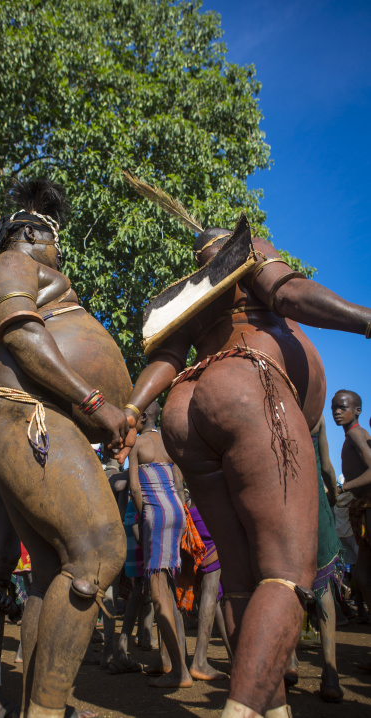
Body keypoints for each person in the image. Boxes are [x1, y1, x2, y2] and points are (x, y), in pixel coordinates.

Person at [117, 220, 371, 718]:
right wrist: (366, 320)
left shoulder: (192, 294)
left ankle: (272, 708)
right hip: (248, 386)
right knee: (285, 574)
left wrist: (131, 410)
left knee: (240, 580)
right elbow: (292, 294)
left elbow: (169, 357)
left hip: (184, 407)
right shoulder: (248, 252)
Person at [0, 178, 132, 718]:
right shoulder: (12, 261)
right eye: (56, 240)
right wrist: (96, 402)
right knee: (100, 551)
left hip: (26, 415)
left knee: (55, 568)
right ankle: (46, 711)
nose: (61, 252)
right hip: (19, 411)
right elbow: (21, 335)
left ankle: (40, 701)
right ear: (32, 233)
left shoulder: (31, 270)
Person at [128, 401, 192, 688]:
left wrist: (145, 517)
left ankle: (181, 672)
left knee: (157, 593)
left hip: (156, 513)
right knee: (166, 588)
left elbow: (134, 487)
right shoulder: (169, 444)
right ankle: (167, 660)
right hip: (177, 512)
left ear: (142, 417)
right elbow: (178, 485)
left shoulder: (138, 445)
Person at [285, 415, 344, 702]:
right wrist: (330, 499)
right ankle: (330, 675)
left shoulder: (274, 406)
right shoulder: (315, 417)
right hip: (315, 503)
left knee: (286, 582)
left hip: (283, 502)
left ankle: (291, 661)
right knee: (322, 587)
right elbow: (328, 469)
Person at [331, 391, 371, 621]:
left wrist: (343, 488)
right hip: (362, 508)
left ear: (357, 411)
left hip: (368, 505)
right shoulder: (351, 437)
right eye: (334, 407)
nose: (337, 412)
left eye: (343, 407)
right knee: (362, 576)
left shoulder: (357, 435)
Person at [188, 506, 231, 681]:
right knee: (211, 587)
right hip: (208, 512)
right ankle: (199, 660)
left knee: (215, 592)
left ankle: (233, 655)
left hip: (192, 513)